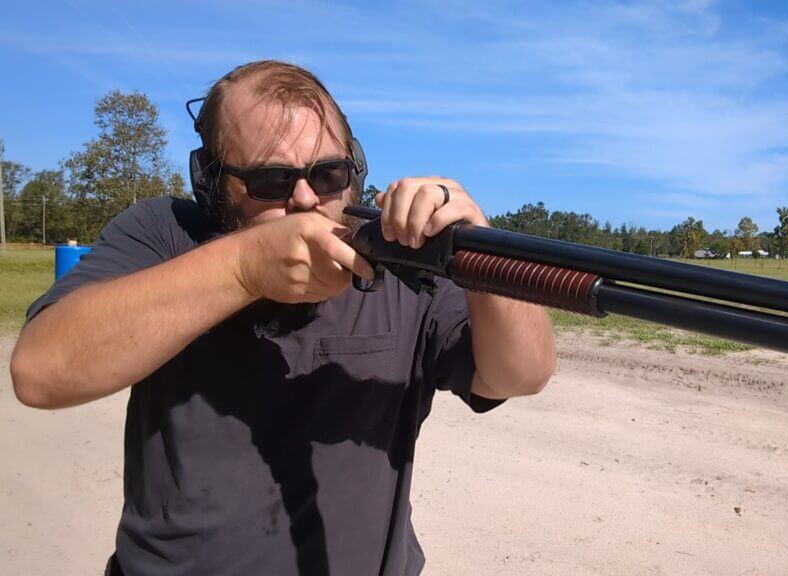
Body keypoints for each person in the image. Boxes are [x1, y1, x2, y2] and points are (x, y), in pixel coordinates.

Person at [10, 60, 556, 576]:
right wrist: (244, 269)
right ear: (212, 183)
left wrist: (480, 256)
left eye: (328, 175)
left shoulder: (399, 255)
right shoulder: (164, 233)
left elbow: (520, 374)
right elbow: (41, 371)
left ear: (355, 170)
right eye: (270, 182)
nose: (304, 199)